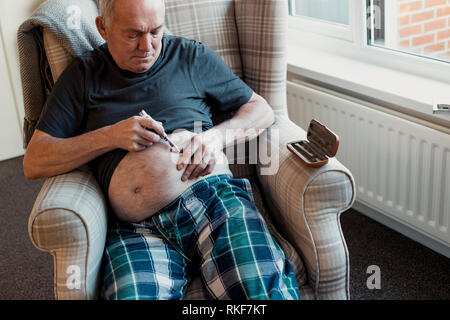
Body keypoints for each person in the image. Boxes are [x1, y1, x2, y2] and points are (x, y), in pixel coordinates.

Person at [23, 0, 300, 300]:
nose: (147, 46)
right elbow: (35, 160)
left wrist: (214, 139)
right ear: (103, 28)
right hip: (136, 229)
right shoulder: (83, 75)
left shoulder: (191, 56)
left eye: (156, 31)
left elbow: (261, 110)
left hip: (215, 202)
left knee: (264, 292)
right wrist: (110, 136)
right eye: (133, 34)